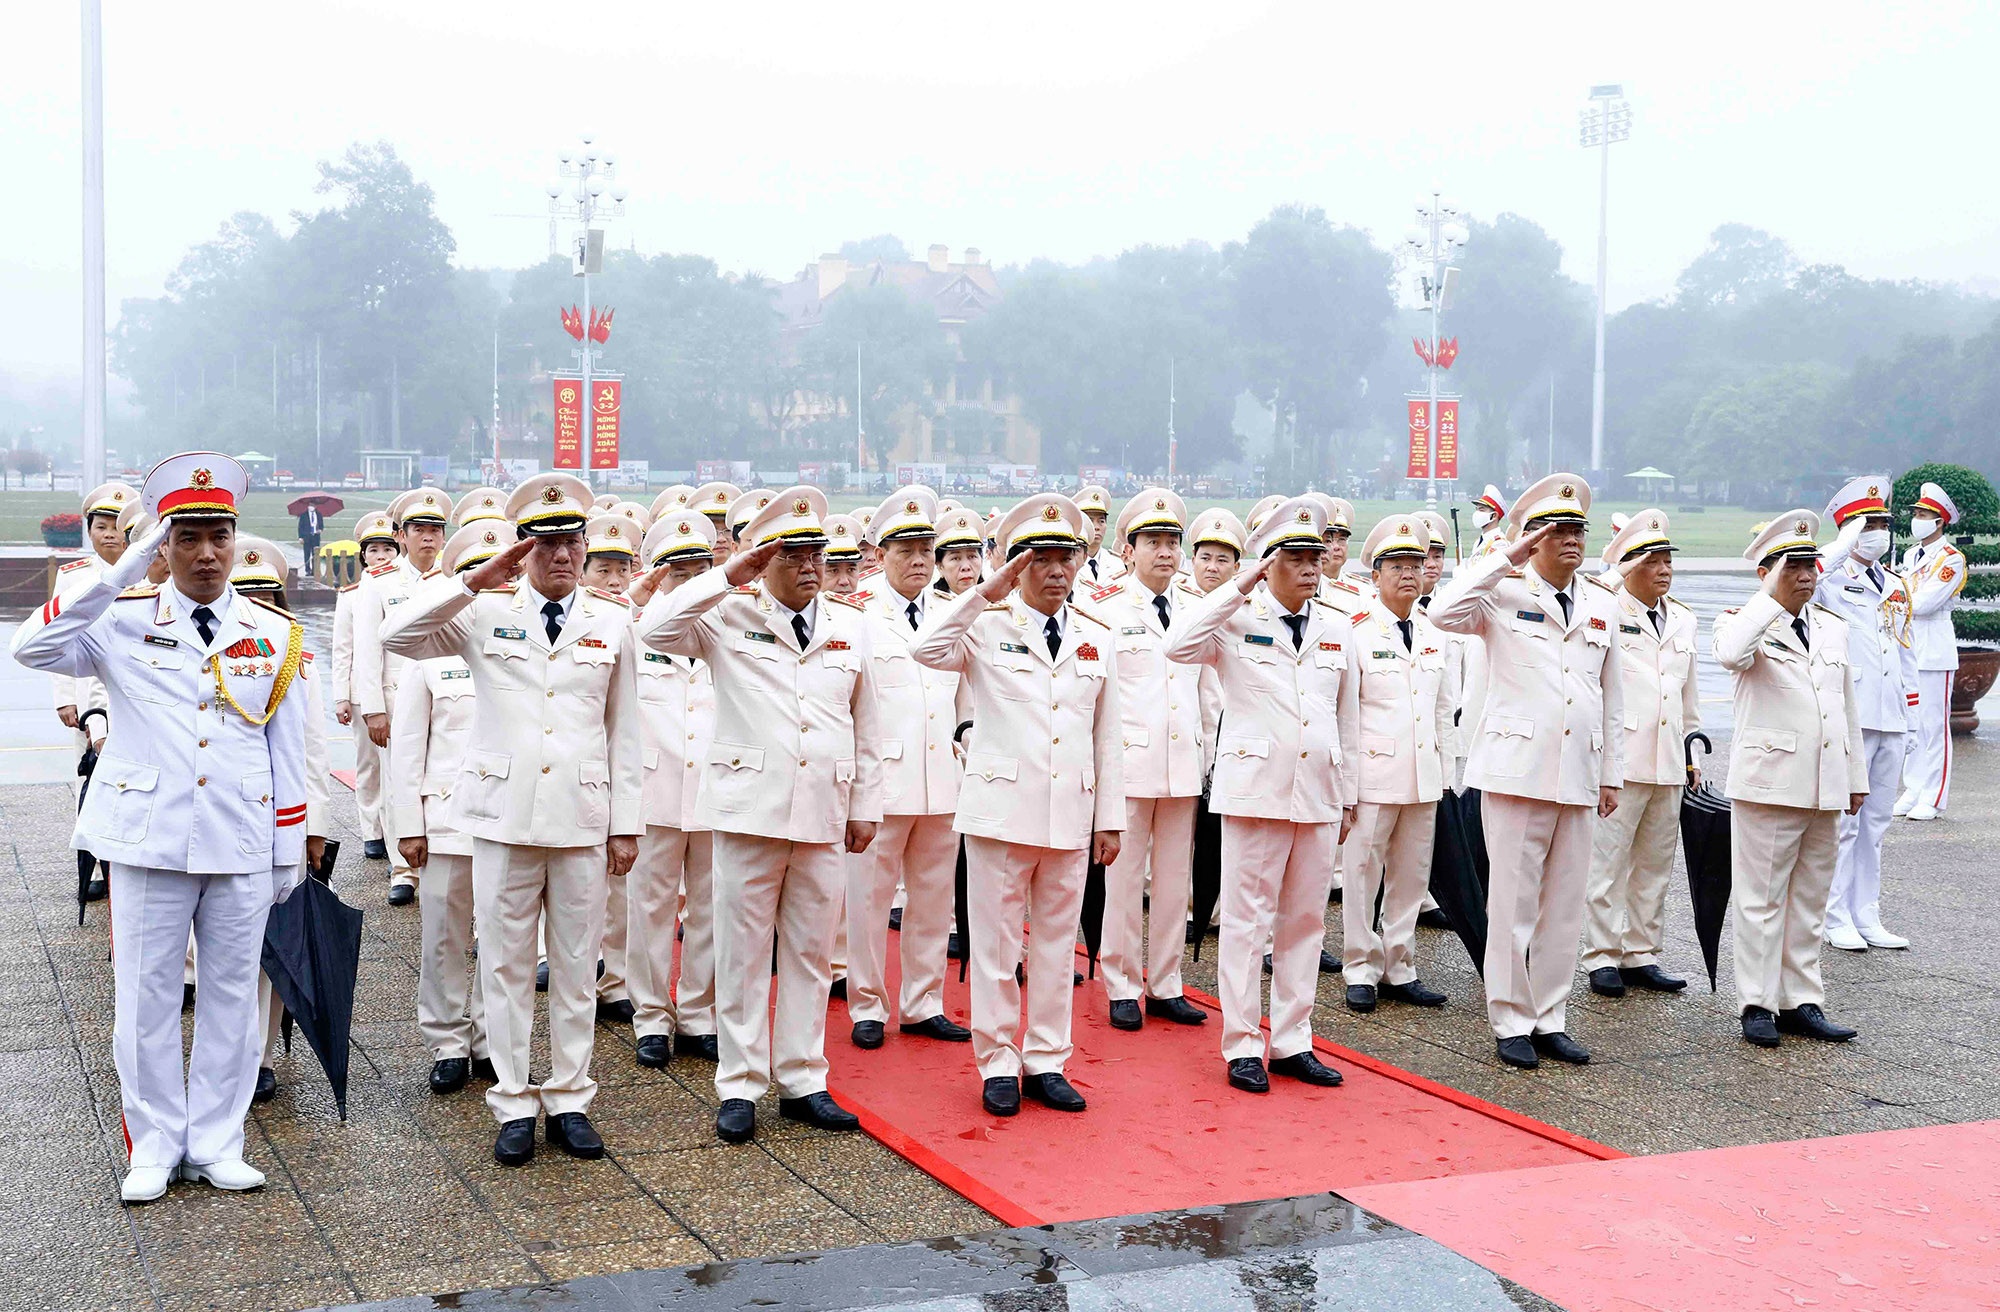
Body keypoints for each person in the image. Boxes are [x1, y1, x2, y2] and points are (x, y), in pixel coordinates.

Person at [12, 452, 309, 1203]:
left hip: (239, 836)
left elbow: (288, 747)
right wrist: (118, 573)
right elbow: (31, 647)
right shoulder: (118, 618)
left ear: (238, 541)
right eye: (187, 538)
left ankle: (216, 1141)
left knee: (233, 998)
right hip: (147, 835)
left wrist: (286, 849)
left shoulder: (271, 631)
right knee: (143, 997)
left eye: (220, 536)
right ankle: (151, 1144)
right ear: (163, 547)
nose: (207, 554)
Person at [380, 472, 643, 1168]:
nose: (561, 555)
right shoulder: (484, 614)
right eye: (546, 542)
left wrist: (627, 823)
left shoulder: (613, 623)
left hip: (583, 817)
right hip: (500, 818)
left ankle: (571, 1097)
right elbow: (397, 635)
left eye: (571, 542)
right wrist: (473, 580)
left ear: (587, 548)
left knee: (578, 965)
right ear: (523, 550)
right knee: (502, 964)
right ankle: (513, 1099)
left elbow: (627, 729)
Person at [638, 487, 882, 1144]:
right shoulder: (727, 616)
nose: (810, 566)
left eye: (817, 554)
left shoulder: (850, 626)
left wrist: (865, 806)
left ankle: (802, 1077)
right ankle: (741, 1082)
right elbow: (653, 631)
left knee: (806, 953)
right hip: (750, 813)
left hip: (824, 814)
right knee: (743, 954)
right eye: (793, 554)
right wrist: (727, 574)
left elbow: (868, 725)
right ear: (763, 559)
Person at [912, 493, 1124, 1117]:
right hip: (1002, 810)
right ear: (1014, 562)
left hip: (1069, 812)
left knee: (1058, 947)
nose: (1058, 570)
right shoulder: (983, 625)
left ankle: (1047, 1060)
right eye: (1043, 557)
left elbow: (1105, 733)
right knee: (998, 946)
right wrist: (986, 591)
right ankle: (998, 1059)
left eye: (1069, 557)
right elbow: (926, 649)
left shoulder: (1096, 636)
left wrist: (1108, 816)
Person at [1428, 473, 1622, 1071]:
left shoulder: (1599, 603)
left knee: (1564, 904)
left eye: (1576, 529)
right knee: (1512, 904)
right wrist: (1501, 555)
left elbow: (1610, 696)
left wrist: (1610, 771)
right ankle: (1510, 1018)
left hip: (1579, 772)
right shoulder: (1501, 593)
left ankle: (1550, 1017)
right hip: (1515, 770)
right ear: (1532, 538)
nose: (1570, 539)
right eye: (1555, 529)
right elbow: (1442, 610)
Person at [1165, 498, 1354, 1094]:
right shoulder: (1235, 619)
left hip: (1318, 791)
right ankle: (1244, 1042)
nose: (1308, 568)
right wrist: (1239, 585)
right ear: (1268, 563)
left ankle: (1294, 1039)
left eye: (1314, 558)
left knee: (1303, 922)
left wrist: (1348, 794)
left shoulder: (1337, 627)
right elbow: (1177, 643)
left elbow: (1345, 716)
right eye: (1294, 558)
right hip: (1255, 793)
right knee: (1246, 924)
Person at [1713, 513, 1867, 1048]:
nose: (1804, 576)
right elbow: (1732, 653)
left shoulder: (1833, 626)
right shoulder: (1743, 620)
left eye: (1809, 565)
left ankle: (1801, 999)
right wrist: (1771, 599)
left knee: (1809, 897)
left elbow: (1844, 706)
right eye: (1791, 566)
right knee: (1760, 898)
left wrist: (1855, 776)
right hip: (1769, 784)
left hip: (1824, 782)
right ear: (1766, 572)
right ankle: (1757, 1002)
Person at [842, 488, 972, 1050]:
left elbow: (967, 695)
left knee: (932, 898)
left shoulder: (953, 614)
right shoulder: (857, 615)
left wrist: (969, 738)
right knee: (869, 898)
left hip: (943, 779)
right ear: (879, 551)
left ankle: (924, 1003)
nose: (919, 559)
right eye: (907, 548)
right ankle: (867, 1002)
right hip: (881, 782)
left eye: (926, 548)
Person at [1090, 489, 1208, 1032]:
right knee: (1123, 880)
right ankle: (1119, 982)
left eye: (1171, 543)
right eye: (1152, 542)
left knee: (1173, 882)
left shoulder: (1194, 607)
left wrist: (1210, 756)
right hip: (1130, 767)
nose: (1164, 553)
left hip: (1183, 762)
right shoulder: (1107, 609)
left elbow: (1206, 689)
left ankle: (1165, 983)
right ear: (1129, 549)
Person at [393, 520, 501, 1096]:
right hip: (449, 818)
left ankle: (488, 1035)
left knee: (504, 936)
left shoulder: (522, 643)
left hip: (507, 816)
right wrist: (409, 826)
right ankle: (448, 1040)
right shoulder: (435, 652)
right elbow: (409, 747)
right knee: (443, 933)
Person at [227, 535, 333, 1106]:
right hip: (222, 820)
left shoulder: (297, 657)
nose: (257, 603)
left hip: (280, 823)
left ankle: (262, 1055)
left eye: (267, 593)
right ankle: (225, 1054)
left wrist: (314, 828)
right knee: (222, 947)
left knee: (273, 945)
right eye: (246, 593)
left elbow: (313, 750)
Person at [1582, 511, 1700, 998]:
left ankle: (1641, 952)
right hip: (1622, 757)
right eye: (1652, 560)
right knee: (1607, 862)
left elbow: (1686, 693)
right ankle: (1602, 956)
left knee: (1655, 863)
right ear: (1629, 565)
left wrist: (1692, 754)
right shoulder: (1606, 609)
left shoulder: (1684, 617)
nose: (1664, 569)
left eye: (1668, 559)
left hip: (1669, 757)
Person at [1336, 517, 1451, 1013]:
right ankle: (1360, 966)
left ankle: (1399, 965)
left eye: (1415, 565)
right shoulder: (1356, 631)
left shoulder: (1433, 632)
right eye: (1397, 566)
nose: (1409, 574)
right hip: (1373, 776)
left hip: (1423, 775)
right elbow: (1345, 713)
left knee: (1411, 875)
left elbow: (1444, 710)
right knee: (1362, 873)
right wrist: (1347, 784)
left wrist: (1447, 772)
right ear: (1375, 574)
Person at [623, 511, 721, 1068]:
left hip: (714, 791)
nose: (687, 582)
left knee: (709, 909)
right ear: (655, 576)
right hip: (655, 789)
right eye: (675, 573)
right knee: (651, 909)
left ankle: (700, 1014)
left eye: (698, 570)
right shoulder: (633, 630)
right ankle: (652, 1016)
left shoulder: (728, 625)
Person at [1813, 479, 1918, 953]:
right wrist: (1840, 545)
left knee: (1876, 824)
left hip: (1890, 714)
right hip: (1851, 714)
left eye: (1882, 525)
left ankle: (1866, 913)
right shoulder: (1828, 579)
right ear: (1849, 531)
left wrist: (1912, 717)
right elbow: (1806, 579)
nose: (1880, 533)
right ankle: (1834, 916)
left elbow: (1905, 652)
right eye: (1868, 525)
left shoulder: (1894, 584)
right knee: (1845, 824)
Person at [354, 488, 452, 904]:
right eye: (419, 530)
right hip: (395, 698)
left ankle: (443, 853)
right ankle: (402, 869)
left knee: (444, 778)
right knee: (398, 782)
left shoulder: (456, 579)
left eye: (435, 530)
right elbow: (367, 648)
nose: (427, 538)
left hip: (446, 694)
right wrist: (373, 707)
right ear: (401, 535)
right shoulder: (380, 582)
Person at [50, 481, 139, 900]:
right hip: (88, 697)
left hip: (137, 695)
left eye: (117, 527)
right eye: (101, 526)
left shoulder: (147, 570)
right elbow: (56, 639)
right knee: (90, 779)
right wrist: (65, 698)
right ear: (89, 531)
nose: (109, 535)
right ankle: (95, 868)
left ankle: (128, 860)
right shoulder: (74, 577)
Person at [1897, 481, 1965, 822]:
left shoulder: (1951, 559)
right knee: (1912, 724)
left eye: (1923, 515)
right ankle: (1913, 788)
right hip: (1909, 646)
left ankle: (1934, 795)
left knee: (1934, 727)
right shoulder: (1910, 555)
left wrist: (1895, 597)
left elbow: (1923, 603)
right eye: (1916, 514)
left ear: (1940, 521)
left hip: (1935, 648)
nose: (1917, 520)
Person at [333, 512, 398, 866]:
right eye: (373, 550)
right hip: (363, 693)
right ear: (363, 556)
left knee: (399, 766)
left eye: (388, 548)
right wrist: (341, 696)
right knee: (369, 764)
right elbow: (343, 649)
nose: (381, 556)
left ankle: (395, 830)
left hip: (401, 689)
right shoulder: (351, 596)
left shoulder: (407, 589)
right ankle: (372, 830)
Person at [1073, 485, 1119, 584]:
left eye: (1101, 521)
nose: (1096, 527)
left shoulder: (1118, 564)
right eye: (1090, 521)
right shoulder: (1068, 564)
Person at [296, 500, 325, 570]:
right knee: (307, 555)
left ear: (315, 506)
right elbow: (300, 527)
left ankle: (315, 570)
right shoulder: (303, 515)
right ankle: (307, 569)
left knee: (315, 555)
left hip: (315, 537)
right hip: (306, 538)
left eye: (312, 505)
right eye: (310, 505)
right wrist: (300, 537)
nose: (311, 507)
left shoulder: (319, 515)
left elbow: (321, 525)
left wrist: (320, 530)